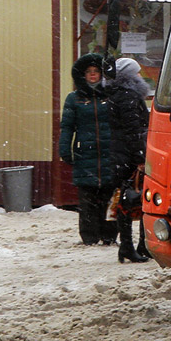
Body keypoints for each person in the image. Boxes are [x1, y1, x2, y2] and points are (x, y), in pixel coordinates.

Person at [58, 53, 117, 245]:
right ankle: (90, 237)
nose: (93, 75)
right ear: (82, 75)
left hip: (110, 153)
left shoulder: (111, 95)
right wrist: (64, 149)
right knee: (87, 199)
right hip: (85, 154)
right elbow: (67, 126)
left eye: (96, 72)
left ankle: (109, 236)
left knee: (109, 198)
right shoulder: (74, 99)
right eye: (89, 72)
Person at [107, 57, 152, 263]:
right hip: (128, 154)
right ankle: (132, 246)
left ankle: (135, 245)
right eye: (136, 72)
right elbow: (133, 130)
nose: (139, 75)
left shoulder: (119, 94)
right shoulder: (128, 96)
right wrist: (140, 158)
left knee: (131, 198)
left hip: (121, 153)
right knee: (134, 198)